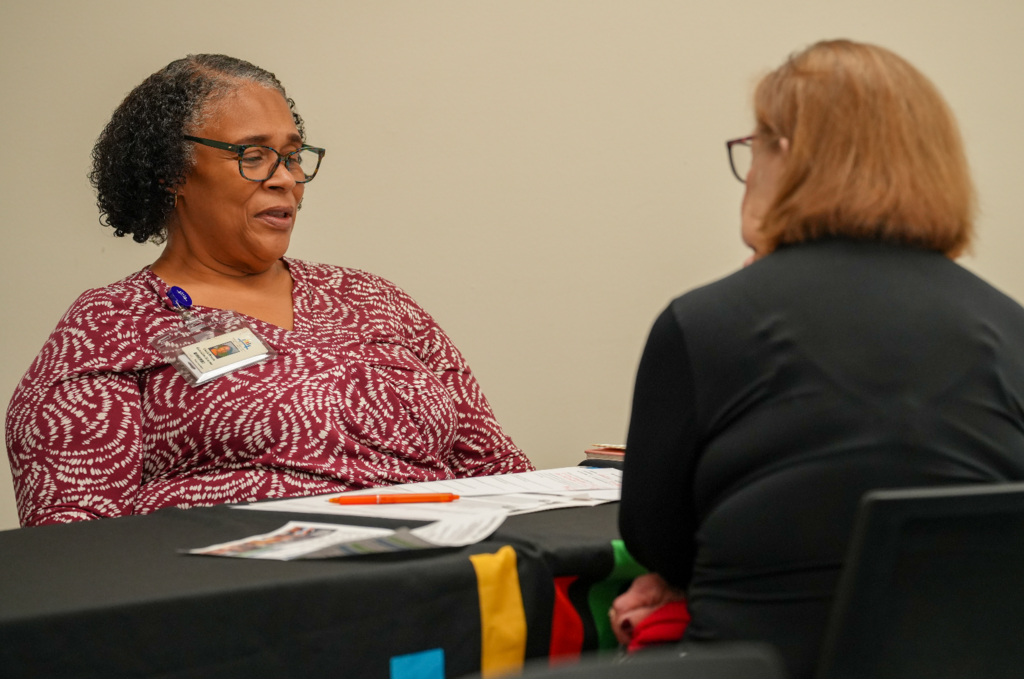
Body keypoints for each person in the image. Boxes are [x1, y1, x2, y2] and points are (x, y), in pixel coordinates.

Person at [612, 39, 1024, 679]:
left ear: (790, 156)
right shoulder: (1010, 328)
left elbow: (655, 540)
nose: (747, 174)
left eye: (754, 148)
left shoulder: (705, 324)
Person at [6, 55, 533, 527]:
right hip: (241, 604)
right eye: (253, 156)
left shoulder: (372, 299)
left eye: (294, 156)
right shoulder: (111, 324)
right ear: (173, 174)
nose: (287, 179)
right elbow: (74, 537)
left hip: (438, 574)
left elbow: (499, 468)